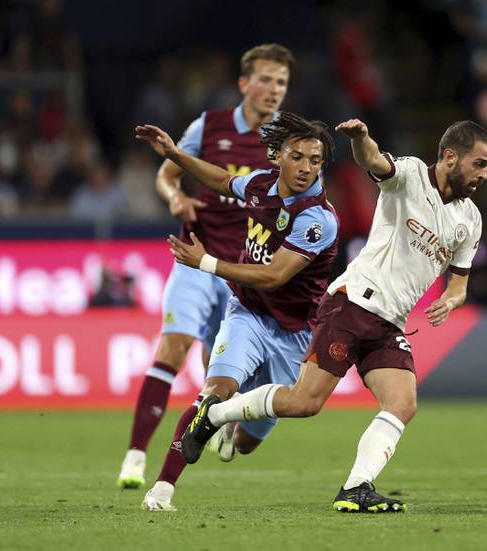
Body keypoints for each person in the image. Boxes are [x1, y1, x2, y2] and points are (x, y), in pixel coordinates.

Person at [182, 118, 487, 512]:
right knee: (304, 403)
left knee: (403, 403)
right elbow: (375, 162)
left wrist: (450, 300)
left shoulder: (471, 220)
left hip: (390, 321)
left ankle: (356, 488)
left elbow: (459, 284)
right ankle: (216, 415)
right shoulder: (411, 176)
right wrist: (362, 138)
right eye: (479, 163)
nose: (484, 174)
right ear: (450, 157)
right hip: (353, 303)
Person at [134, 111, 338, 511]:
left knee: (245, 444)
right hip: (247, 313)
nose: (307, 168)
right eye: (298, 157)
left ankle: (228, 424)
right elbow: (220, 179)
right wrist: (176, 155)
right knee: (212, 394)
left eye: (315, 161)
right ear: (277, 156)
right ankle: (161, 490)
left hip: (294, 332)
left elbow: (275, 276)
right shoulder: (260, 184)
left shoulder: (318, 219)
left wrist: (206, 262)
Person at [117, 44, 295, 489]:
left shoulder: (288, 143)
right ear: (244, 83)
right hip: (196, 259)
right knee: (172, 348)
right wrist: (174, 196)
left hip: (245, 273)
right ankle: (135, 457)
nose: (274, 90)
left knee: (227, 379)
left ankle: (224, 426)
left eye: (282, 83)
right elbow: (169, 170)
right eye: (267, 79)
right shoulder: (209, 126)